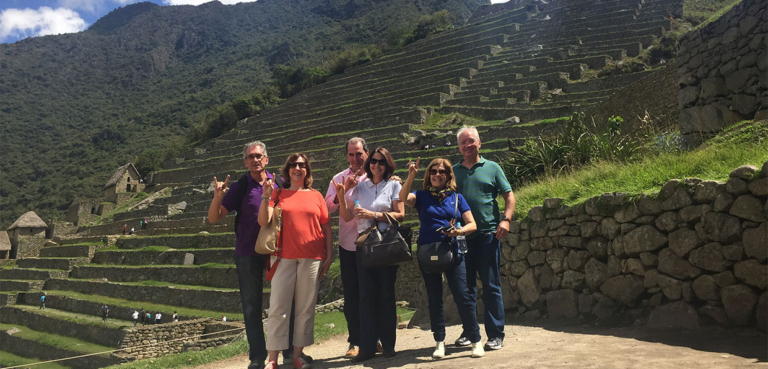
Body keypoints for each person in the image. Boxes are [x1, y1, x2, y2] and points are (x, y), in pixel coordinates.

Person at [399, 158, 484, 359]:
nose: (437, 174)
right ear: (428, 175)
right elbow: (403, 197)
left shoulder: (456, 198)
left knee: (463, 296)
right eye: (433, 171)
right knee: (434, 299)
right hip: (428, 252)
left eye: (442, 171)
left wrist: (459, 231)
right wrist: (411, 175)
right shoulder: (421, 196)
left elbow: (472, 224)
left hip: (453, 251)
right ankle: (439, 342)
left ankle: (475, 340)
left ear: (448, 176)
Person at [259, 153, 333, 369]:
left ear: (307, 170)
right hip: (283, 257)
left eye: (302, 165)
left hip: (312, 256)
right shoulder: (278, 194)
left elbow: (326, 227)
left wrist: (329, 255)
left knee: (305, 308)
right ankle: (272, 358)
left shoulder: (317, 196)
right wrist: (266, 196)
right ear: (287, 170)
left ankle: (298, 356)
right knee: (278, 307)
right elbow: (263, 221)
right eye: (294, 165)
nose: (298, 168)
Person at [208, 141, 277, 369]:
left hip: (277, 250)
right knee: (251, 305)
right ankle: (257, 356)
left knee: (283, 302)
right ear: (245, 162)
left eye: (259, 156)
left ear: (266, 159)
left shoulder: (280, 183)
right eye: (250, 157)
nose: (255, 159)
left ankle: (285, 350)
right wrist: (218, 196)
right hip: (247, 252)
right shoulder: (240, 187)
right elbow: (214, 218)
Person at [332, 147, 404, 362]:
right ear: (368, 163)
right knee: (366, 298)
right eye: (373, 161)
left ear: (387, 164)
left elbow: (400, 214)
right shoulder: (359, 187)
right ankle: (367, 347)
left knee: (386, 295)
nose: (376, 165)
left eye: (381, 162)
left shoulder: (394, 185)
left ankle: (388, 344)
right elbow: (346, 216)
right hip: (364, 247)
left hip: (386, 246)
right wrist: (342, 193)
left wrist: (374, 214)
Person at [453, 126, 515, 351]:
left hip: (488, 234)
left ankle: (496, 334)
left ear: (479, 143)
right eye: (463, 142)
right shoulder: (453, 172)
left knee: (491, 285)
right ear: (458, 147)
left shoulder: (492, 168)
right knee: (465, 287)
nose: (467, 145)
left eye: (471, 141)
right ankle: (470, 332)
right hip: (462, 237)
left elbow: (509, 195)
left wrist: (506, 220)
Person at [324, 137, 368, 359]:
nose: (355, 158)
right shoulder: (337, 179)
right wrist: (344, 191)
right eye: (351, 154)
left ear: (366, 154)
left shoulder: (376, 174)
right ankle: (355, 341)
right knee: (352, 294)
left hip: (373, 243)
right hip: (349, 245)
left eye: (359, 153)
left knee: (372, 292)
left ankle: (374, 338)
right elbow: (327, 208)